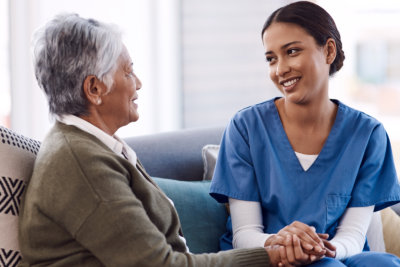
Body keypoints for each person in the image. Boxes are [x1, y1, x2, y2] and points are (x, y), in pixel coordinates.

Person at [17, 13, 294, 267]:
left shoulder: (91, 148)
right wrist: (267, 255)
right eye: (127, 72)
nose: (137, 83)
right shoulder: (80, 164)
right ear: (94, 88)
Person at [209, 1, 400, 266]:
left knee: (383, 263)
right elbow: (244, 234)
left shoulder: (368, 135)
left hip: (336, 253)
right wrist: (285, 243)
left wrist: (320, 249)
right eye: (271, 58)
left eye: (292, 51)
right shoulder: (246, 128)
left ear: (329, 50)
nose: (280, 69)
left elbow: (353, 236)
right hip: (267, 255)